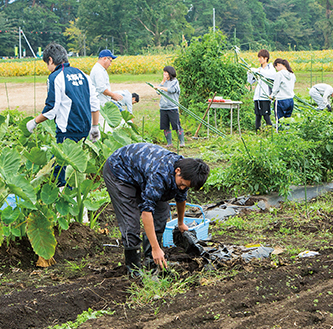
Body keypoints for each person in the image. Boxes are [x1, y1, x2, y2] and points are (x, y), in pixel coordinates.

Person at [102, 143, 209, 275]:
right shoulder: (160, 175)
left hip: (141, 172)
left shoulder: (187, 172)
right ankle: (134, 268)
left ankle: (151, 261)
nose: (182, 188)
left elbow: (181, 198)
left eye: (186, 186)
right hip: (119, 171)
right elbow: (146, 212)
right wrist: (156, 248)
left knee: (161, 213)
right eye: (181, 184)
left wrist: (180, 223)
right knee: (130, 220)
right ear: (178, 171)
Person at [26, 42, 100, 186]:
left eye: (47, 64)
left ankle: (66, 200)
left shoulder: (55, 77)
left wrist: (34, 122)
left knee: (61, 170)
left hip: (67, 131)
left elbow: (51, 109)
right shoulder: (83, 74)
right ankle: (76, 201)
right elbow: (94, 103)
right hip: (84, 129)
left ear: (50, 60)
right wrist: (95, 127)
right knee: (75, 169)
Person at [247, 49, 278, 130]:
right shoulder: (258, 69)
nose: (259, 59)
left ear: (266, 58)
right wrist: (250, 73)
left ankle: (270, 132)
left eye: (261, 57)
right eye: (259, 58)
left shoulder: (270, 68)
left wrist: (259, 71)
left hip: (265, 96)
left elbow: (271, 76)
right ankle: (257, 132)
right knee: (258, 116)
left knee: (266, 115)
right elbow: (250, 81)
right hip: (257, 96)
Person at [156, 66, 184, 147]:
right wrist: (162, 82)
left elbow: (171, 90)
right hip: (163, 107)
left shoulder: (175, 82)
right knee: (165, 126)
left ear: (170, 73)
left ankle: (182, 142)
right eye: (164, 72)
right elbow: (158, 92)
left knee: (176, 125)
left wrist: (160, 87)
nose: (164, 74)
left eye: (166, 72)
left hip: (172, 107)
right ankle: (169, 143)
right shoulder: (164, 82)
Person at [269, 58, 296, 126]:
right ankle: (287, 134)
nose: (276, 69)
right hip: (290, 100)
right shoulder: (292, 74)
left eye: (276, 67)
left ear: (278, 65)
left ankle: (279, 134)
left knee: (279, 120)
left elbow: (276, 88)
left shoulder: (279, 74)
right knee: (287, 120)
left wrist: (272, 96)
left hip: (281, 100)